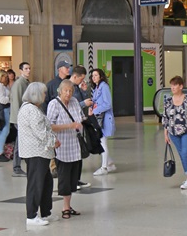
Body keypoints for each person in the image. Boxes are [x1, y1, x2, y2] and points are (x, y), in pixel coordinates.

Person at [17, 82, 58, 228]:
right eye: (44, 93)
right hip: (36, 153)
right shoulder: (31, 111)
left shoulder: (32, 108)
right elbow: (41, 132)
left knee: (46, 182)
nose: (45, 96)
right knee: (35, 184)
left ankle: (46, 211)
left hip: (40, 153)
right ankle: (32, 216)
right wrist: (54, 141)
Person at [47, 80, 86, 219]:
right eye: (66, 91)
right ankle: (65, 207)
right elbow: (49, 126)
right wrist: (69, 126)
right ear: (60, 91)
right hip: (62, 147)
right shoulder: (54, 104)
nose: (68, 94)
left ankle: (68, 206)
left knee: (73, 179)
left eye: (70, 91)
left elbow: (80, 118)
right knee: (64, 178)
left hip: (75, 147)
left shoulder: (75, 102)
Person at [162, 75, 187, 190]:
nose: (172, 88)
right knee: (182, 155)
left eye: (175, 85)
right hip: (173, 133)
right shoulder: (168, 102)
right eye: (171, 86)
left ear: (181, 86)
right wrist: (165, 133)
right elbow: (165, 118)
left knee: (185, 152)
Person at [90, 68, 116, 175]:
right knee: (101, 141)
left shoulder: (104, 87)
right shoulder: (97, 88)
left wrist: (95, 110)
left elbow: (107, 104)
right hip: (99, 118)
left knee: (102, 142)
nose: (94, 77)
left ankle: (104, 167)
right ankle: (109, 163)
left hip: (103, 118)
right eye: (92, 76)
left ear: (101, 76)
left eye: (96, 75)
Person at [10, 61, 32, 177]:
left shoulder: (26, 83)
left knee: (23, 141)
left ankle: (19, 166)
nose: (28, 70)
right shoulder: (19, 84)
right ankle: (16, 167)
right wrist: (20, 118)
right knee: (20, 143)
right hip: (20, 118)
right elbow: (17, 102)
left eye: (29, 68)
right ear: (21, 70)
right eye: (26, 68)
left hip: (24, 116)